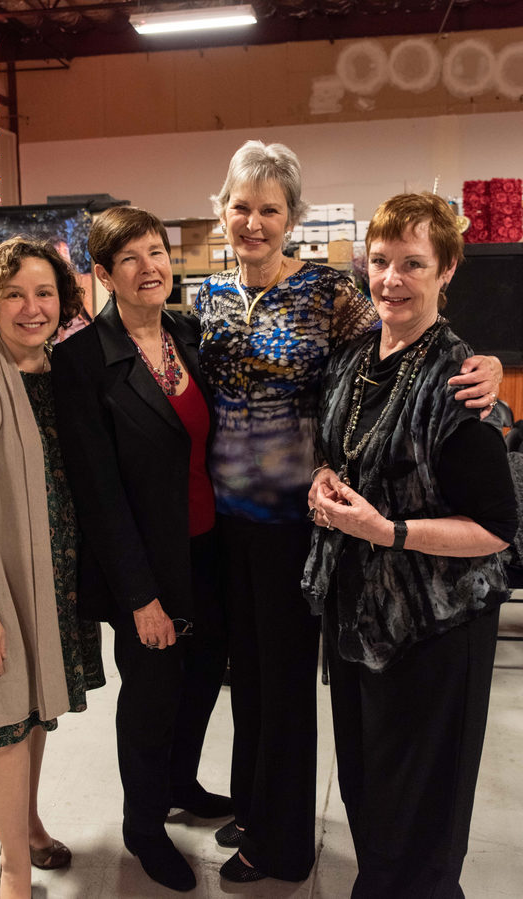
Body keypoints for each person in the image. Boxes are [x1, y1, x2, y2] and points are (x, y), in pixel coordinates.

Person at [194, 140, 504, 883]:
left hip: (302, 527)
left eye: (270, 209)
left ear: (293, 217)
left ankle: (285, 836)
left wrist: (488, 366)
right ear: (223, 211)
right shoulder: (206, 294)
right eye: (242, 206)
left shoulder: (331, 293)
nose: (254, 221)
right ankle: (261, 805)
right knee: (253, 680)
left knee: (289, 688)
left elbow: (416, 337)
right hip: (233, 519)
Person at [302, 191, 517, 898]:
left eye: (413, 264)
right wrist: (327, 480)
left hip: (435, 625)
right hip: (362, 616)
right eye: (382, 260)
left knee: (423, 817)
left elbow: (496, 529)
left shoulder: (460, 381)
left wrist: (388, 530)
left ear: (447, 270)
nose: (391, 278)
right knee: (371, 790)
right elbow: (345, 448)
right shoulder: (357, 354)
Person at [51, 206, 230, 893]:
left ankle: (182, 781)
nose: (149, 266)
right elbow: (97, 492)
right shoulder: (82, 360)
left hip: (208, 545)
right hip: (147, 565)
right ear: (103, 274)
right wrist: (140, 597)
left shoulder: (188, 331)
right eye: (130, 258)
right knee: (153, 694)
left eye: (156, 251)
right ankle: (144, 823)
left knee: (204, 675)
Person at [0, 237, 105, 899]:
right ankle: (10, 866)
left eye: (44, 293)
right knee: (5, 722)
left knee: (34, 713)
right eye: (14, 294)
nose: (32, 308)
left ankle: (29, 826)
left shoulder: (55, 370)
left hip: (49, 578)